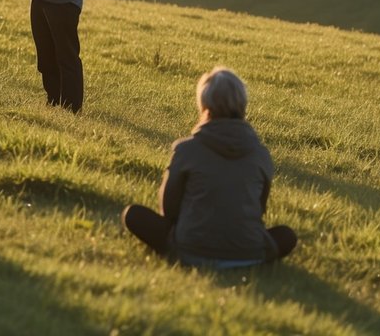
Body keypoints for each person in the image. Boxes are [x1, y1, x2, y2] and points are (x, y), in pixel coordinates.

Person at [122, 67, 297, 268]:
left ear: (205, 106)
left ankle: (193, 250)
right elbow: (259, 209)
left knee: (133, 215)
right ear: (243, 105)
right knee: (287, 235)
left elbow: (168, 210)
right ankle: (244, 257)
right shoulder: (261, 154)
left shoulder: (186, 149)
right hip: (249, 252)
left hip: (190, 250)